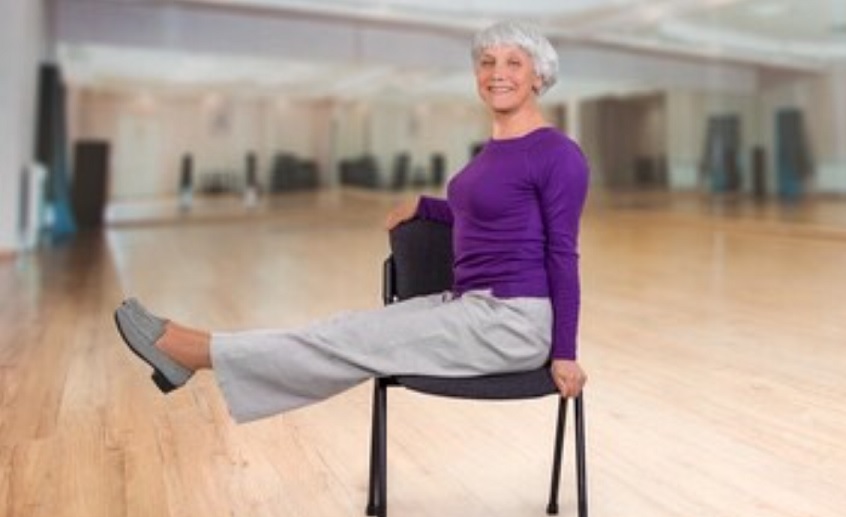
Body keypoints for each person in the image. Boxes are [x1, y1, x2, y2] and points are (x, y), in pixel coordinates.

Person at [114, 20, 590, 424]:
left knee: (346, 340)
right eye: (487, 62)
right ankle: (196, 352)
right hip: (469, 306)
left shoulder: (558, 155)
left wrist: (564, 351)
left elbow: (562, 254)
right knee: (344, 328)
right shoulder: (494, 152)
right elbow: (487, 215)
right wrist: (427, 207)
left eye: (513, 63)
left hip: (512, 324)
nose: (496, 73)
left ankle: (194, 352)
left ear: (537, 77)